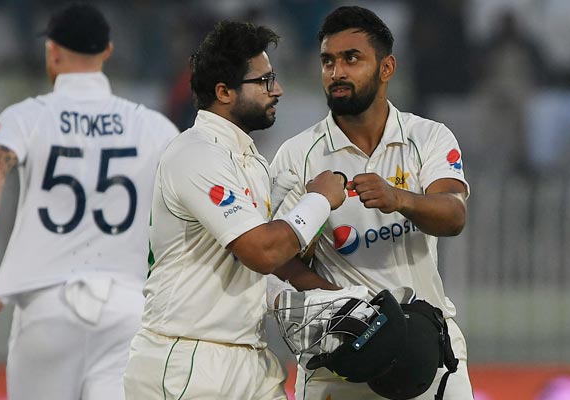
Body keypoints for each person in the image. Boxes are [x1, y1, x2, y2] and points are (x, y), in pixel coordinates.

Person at [0, 3, 179, 400]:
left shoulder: (26, 116)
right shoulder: (154, 126)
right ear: (108, 51)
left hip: (46, 306)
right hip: (128, 308)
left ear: (53, 51)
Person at [122, 20, 346, 400]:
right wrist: (320, 200)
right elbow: (262, 252)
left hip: (248, 357)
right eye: (264, 82)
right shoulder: (196, 153)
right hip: (188, 358)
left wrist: (341, 300)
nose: (278, 90)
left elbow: (263, 268)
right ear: (223, 92)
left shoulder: (250, 161)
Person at [271, 6, 474, 399]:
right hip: (340, 356)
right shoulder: (297, 156)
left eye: (352, 59)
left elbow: (454, 215)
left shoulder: (428, 137)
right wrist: (343, 304)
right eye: (328, 61)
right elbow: (279, 257)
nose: (337, 73)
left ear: (386, 68)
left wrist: (399, 198)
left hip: (426, 347)